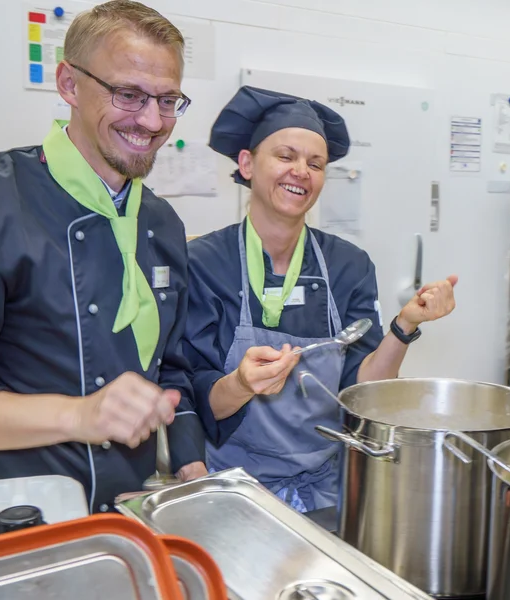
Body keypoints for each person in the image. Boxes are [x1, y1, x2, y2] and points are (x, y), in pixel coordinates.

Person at [0, 0, 207, 552]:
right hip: (6, 527)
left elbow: (173, 367)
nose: (151, 121)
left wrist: (190, 464)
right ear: (69, 83)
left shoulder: (161, 223)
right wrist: (80, 415)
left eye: (168, 101)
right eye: (129, 95)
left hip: (121, 525)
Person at [184, 85, 458, 513]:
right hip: (233, 488)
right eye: (285, 156)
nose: (301, 171)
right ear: (247, 164)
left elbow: (362, 389)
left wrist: (405, 326)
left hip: (327, 488)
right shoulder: (203, 262)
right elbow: (192, 392)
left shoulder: (348, 265)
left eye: (315, 164)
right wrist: (240, 384)